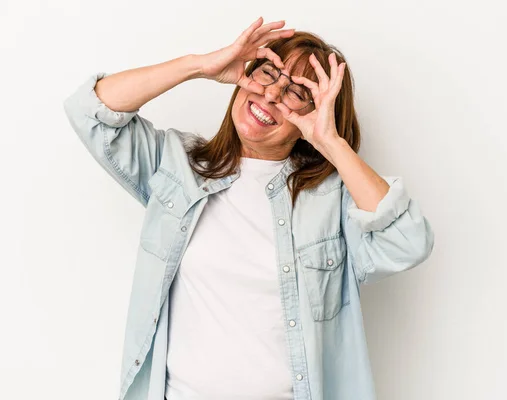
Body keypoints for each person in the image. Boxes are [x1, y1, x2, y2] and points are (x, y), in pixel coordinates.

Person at [63, 17, 435, 400]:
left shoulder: (331, 198)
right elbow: (90, 109)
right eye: (269, 72)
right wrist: (199, 66)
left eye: (296, 93)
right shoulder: (177, 166)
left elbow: (406, 243)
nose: (271, 95)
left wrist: (331, 142)